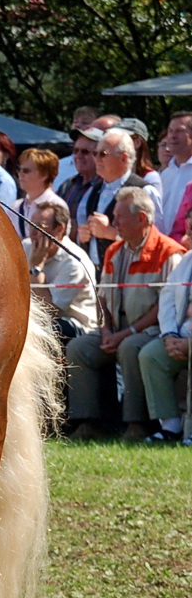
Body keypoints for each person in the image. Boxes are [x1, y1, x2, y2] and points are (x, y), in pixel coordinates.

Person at [64, 188, 183, 440]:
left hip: (152, 332)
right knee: (78, 348)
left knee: (129, 347)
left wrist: (126, 333)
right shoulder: (114, 251)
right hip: (116, 329)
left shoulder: (169, 253)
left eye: (119, 216)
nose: (114, 222)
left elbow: (164, 306)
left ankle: (137, 424)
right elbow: (103, 298)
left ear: (141, 218)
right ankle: (88, 422)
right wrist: (106, 331)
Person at [138, 219, 192, 445]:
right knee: (151, 355)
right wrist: (169, 335)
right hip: (180, 334)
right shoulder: (187, 260)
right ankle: (171, 425)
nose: (187, 234)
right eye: (189, 228)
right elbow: (168, 296)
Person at [25, 197, 98, 343]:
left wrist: (35, 269)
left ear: (59, 230)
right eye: (31, 225)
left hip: (75, 325)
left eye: (39, 227)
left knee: (40, 330)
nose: (32, 233)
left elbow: (49, 311)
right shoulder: (26, 246)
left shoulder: (74, 262)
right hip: (36, 317)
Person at [78, 128, 141, 266]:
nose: (97, 159)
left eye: (103, 154)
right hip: (98, 273)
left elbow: (152, 240)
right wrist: (83, 236)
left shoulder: (142, 191)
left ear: (123, 158)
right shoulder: (94, 191)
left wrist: (110, 233)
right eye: (95, 153)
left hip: (130, 272)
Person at [15, 148, 64, 241]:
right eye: (19, 169)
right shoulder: (15, 206)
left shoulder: (57, 206)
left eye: (26, 171)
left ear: (44, 175)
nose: (20, 174)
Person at [59, 128, 100, 235]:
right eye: (75, 151)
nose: (78, 156)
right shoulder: (67, 185)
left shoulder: (105, 188)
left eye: (85, 152)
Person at [159, 113, 192, 236]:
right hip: (162, 249)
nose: (172, 136)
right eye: (170, 131)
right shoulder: (165, 174)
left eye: (179, 131)